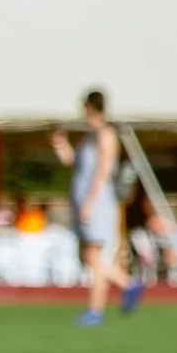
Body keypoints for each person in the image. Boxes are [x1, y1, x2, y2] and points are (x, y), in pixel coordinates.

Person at [51, 90, 133, 325]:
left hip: (98, 202)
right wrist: (60, 144)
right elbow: (73, 162)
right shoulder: (88, 137)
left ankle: (96, 310)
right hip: (85, 201)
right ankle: (127, 284)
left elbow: (104, 171)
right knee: (89, 256)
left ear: (90, 108)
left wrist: (91, 201)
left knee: (94, 255)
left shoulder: (106, 135)